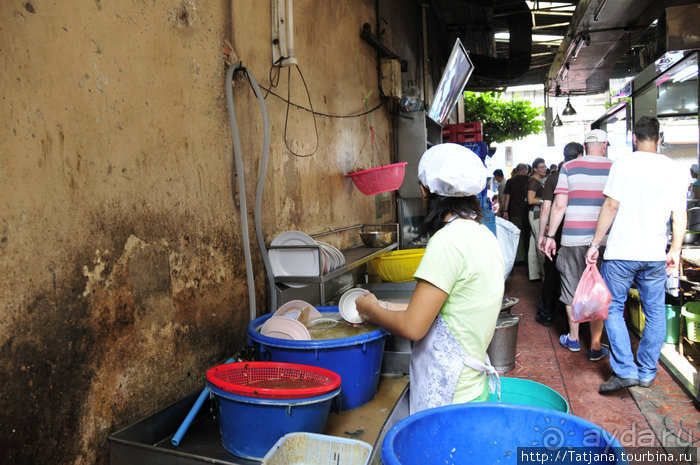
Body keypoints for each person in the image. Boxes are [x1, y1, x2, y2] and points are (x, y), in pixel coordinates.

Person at [355, 143, 505, 413]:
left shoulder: (447, 241)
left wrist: (371, 310)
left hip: (449, 396)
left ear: (426, 192)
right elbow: (448, 312)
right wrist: (380, 305)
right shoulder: (483, 234)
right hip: (472, 388)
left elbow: (413, 326)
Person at [585, 117, 687, 392]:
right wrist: (675, 250)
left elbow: (611, 206)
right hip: (654, 255)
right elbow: (680, 214)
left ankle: (625, 370)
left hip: (621, 253)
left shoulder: (623, 164)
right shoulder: (674, 169)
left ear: (633, 138)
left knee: (613, 309)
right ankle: (646, 372)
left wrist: (595, 244)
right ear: (659, 138)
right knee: (655, 313)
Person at [543, 129, 613, 362]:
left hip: (572, 239)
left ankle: (573, 339)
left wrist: (550, 235)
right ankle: (594, 346)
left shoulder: (569, 167)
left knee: (571, 287)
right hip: (603, 241)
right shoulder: (614, 168)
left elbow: (559, 205)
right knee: (597, 290)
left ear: (584, 146)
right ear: (604, 146)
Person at [535, 142, 583, 326]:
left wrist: (544, 235)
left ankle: (548, 312)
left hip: (557, 234)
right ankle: (577, 317)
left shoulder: (554, 177)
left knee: (553, 273)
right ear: (580, 154)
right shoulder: (583, 175)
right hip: (581, 234)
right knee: (578, 274)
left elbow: (546, 208)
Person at [503, 163, 530, 264]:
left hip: (515, 212)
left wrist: (505, 211)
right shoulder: (529, 180)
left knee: (517, 235)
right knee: (527, 235)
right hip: (527, 211)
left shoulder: (510, 181)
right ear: (524, 170)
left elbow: (507, 197)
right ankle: (528, 259)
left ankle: (519, 258)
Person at [527, 158, 547, 281]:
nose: (544, 169)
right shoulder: (534, 181)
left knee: (533, 244)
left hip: (534, 214)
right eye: (541, 167)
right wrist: (544, 201)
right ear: (535, 169)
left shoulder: (536, 180)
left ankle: (534, 275)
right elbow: (530, 199)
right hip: (536, 214)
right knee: (540, 243)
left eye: (545, 166)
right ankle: (544, 275)